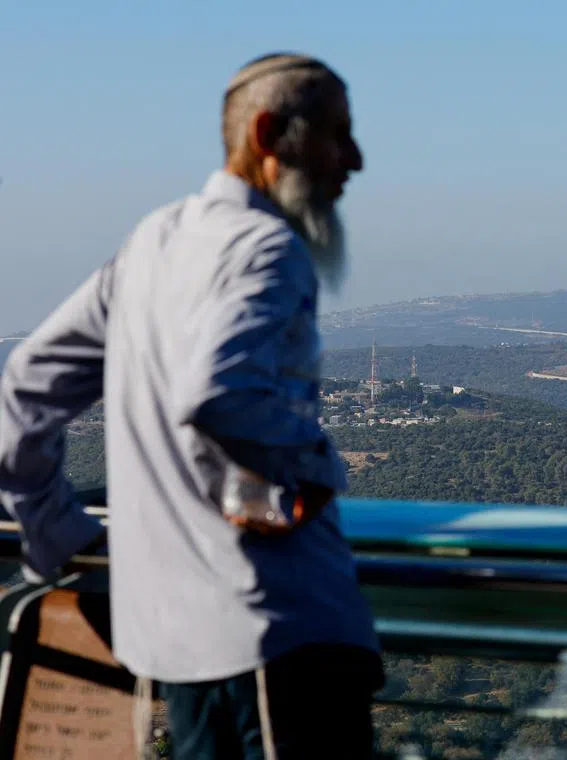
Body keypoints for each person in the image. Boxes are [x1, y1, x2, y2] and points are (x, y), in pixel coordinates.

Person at [0, 52, 383, 758]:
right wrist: (320, 470)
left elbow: (24, 386)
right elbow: (219, 390)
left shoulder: (153, 241)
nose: (354, 160)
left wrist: (56, 532)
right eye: (338, 133)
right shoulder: (269, 246)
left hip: (172, 651)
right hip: (280, 642)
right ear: (269, 134)